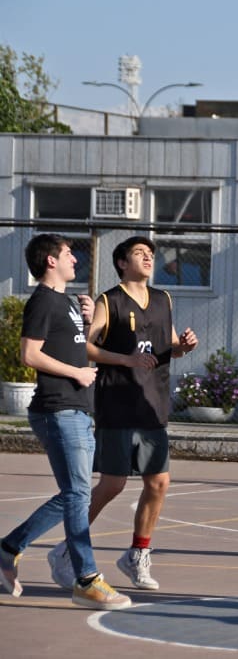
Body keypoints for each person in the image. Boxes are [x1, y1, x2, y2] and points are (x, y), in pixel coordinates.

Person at [47, 235, 198, 591]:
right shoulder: (109, 300)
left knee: (159, 482)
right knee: (112, 484)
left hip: (152, 404)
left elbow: (171, 348)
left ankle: (137, 555)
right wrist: (125, 359)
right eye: (139, 253)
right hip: (117, 402)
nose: (147, 258)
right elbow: (86, 347)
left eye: (150, 254)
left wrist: (184, 346)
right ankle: (67, 551)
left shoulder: (164, 299)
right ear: (121, 262)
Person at [0, 233, 131, 610]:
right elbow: (29, 354)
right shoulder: (42, 300)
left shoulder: (67, 301)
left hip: (76, 409)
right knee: (77, 494)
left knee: (75, 494)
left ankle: (9, 548)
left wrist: (89, 321)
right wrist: (77, 373)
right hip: (58, 409)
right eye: (68, 253)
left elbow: (73, 344)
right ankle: (86, 578)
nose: (76, 257)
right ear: (50, 261)